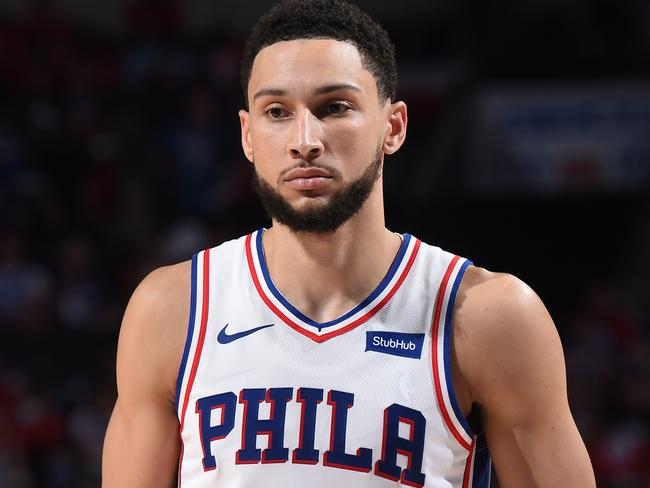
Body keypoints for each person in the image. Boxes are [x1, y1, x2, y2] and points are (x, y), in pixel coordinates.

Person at [102, 0, 596, 486]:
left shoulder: (489, 316)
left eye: (334, 107)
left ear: (393, 127)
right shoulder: (173, 309)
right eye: (277, 112)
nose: (305, 140)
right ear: (248, 136)